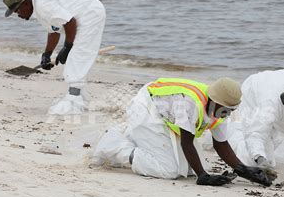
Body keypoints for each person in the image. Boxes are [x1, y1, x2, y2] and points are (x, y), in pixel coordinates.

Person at [92, 77, 273, 187]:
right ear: (215, 100)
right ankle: (116, 146)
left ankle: (139, 140)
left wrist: (243, 169)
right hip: (147, 109)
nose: (228, 113)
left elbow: (221, 143)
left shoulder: (219, 108)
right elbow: (187, 142)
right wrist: (203, 177)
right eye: (226, 108)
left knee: (186, 170)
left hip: (167, 114)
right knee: (169, 170)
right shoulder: (190, 103)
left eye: (232, 110)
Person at [3, 0, 106, 115]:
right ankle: (79, 97)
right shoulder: (38, 7)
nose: (18, 15)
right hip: (82, 14)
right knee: (76, 55)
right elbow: (54, 30)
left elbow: (70, 22)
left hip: (90, 13)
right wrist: (47, 54)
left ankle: (74, 99)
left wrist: (67, 47)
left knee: (78, 54)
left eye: (17, 10)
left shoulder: (43, 5)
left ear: (26, 3)